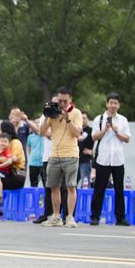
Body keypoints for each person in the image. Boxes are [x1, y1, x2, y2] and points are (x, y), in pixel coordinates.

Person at [40, 87, 83, 228]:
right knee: (53, 187)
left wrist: (67, 119)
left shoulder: (76, 113)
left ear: (70, 99)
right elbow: (42, 132)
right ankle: (56, 216)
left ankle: (70, 217)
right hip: (54, 155)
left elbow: (77, 134)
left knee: (71, 186)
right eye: (60, 101)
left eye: (65, 101)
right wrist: (47, 115)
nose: (62, 104)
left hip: (71, 154)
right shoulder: (53, 114)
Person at [89, 93, 131, 226]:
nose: (113, 105)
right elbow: (94, 137)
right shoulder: (99, 119)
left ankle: (120, 217)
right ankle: (95, 216)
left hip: (118, 159)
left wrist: (117, 131)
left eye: (115, 103)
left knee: (119, 189)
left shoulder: (123, 120)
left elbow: (127, 138)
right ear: (106, 104)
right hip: (103, 158)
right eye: (111, 102)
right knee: (99, 188)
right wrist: (105, 130)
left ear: (119, 105)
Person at [78, 111, 94, 187]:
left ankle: (86, 199)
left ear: (88, 119)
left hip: (86, 161)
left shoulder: (92, 131)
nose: (82, 120)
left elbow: (98, 144)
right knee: (71, 184)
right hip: (74, 160)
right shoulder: (75, 130)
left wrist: (92, 152)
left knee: (85, 185)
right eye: (81, 118)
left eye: (84, 118)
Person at [26, 119, 44, 187]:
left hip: (44, 162)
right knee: (33, 184)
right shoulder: (30, 137)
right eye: (35, 123)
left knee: (46, 184)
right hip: (33, 163)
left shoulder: (46, 136)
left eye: (39, 123)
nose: (37, 125)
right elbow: (29, 149)